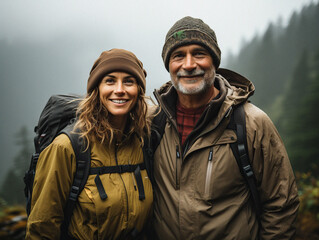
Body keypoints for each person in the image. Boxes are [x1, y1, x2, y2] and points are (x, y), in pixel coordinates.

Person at [150, 16, 299, 240]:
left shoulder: (251, 123)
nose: (188, 65)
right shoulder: (154, 122)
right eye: (178, 55)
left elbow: (281, 205)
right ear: (168, 65)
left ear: (215, 61)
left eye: (199, 54)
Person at [25, 49, 153, 239]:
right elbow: (42, 228)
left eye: (129, 81)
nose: (120, 89)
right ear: (97, 88)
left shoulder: (142, 140)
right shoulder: (67, 146)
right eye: (110, 81)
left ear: (139, 91)